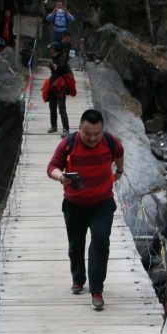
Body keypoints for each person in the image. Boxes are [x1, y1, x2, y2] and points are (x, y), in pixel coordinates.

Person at [47, 108, 124, 311]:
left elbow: (119, 153)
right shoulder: (68, 144)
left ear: (103, 130)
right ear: (79, 128)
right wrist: (61, 177)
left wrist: (120, 170)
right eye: (88, 133)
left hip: (102, 203)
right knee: (76, 245)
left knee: (100, 240)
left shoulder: (109, 141)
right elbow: (52, 167)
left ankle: (96, 289)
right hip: (74, 204)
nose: (93, 138)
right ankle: (78, 279)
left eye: (97, 134)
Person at [45, 41, 75, 134]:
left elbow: (61, 68)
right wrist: (52, 67)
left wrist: (55, 67)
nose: (49, 50)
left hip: (60, 87)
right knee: (52, 107)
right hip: (52, 85)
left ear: (53, 49)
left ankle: (66, 129)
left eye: (50, 48)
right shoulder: (53, 57)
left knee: (62, 109)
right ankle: (53, 126)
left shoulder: (63, 59)